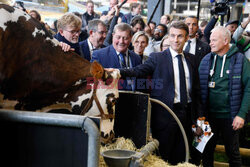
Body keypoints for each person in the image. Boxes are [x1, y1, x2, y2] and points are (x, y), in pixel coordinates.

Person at [113, 21, 202, 165]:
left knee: (182, 155)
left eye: (180, 36)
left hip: (186, 116)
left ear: (186, 38)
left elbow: (197, 93)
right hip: (165, 116)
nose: (175, 40)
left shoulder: (192, 59)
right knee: (162, 157)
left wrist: (199, 119)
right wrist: (117, 72)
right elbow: (137, 71)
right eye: (172, 35)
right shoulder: (157, 57)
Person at [199, 26, 250, 167]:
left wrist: (241, 114)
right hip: (207, 117)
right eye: (210, 40)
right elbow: (198, 90)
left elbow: (249, 89)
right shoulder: (205, 60)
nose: (210, 43)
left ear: (226, 40)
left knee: (232, 153)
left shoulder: (240, 60)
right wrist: (199, 117)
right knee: (205, 151)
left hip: (231, 117)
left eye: (214, 40)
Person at [91, 23, 141, 91]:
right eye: (118, 37)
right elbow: (92, 83)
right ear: (112, 36)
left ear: (131, 38)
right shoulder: (99, 55)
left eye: (125, 38)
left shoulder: (137, 58)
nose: (121, 41)